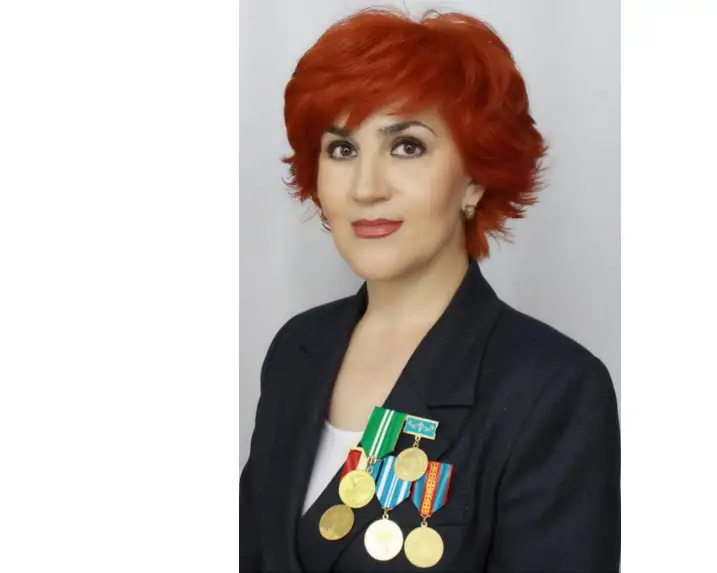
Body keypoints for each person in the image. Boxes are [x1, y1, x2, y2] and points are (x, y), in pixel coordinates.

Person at [240, 7, 620, 572]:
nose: (366, 188)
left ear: (475, 178)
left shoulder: (553, 391)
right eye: (342, 149)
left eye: (407, 146)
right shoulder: (298, 348)